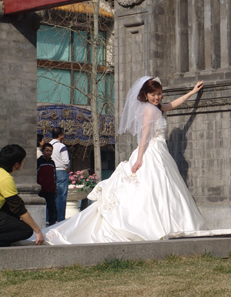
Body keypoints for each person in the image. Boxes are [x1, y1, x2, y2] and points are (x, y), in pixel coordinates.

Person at [43, 76, 206, 244]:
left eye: (159, 93)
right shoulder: (149, 110)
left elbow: (173, 104)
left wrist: (192, 92)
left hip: (160, 152)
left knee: (159, 190)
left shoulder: (157, 108)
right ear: (145, 94)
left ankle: (163, 224)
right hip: (151, 152)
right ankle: (150, 225)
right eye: (153, 94)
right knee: (151, 189)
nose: (157, 97)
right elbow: (144, 136)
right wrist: (139, 159)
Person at [0, 144, 44, 246]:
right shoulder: (5, 179)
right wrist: (37, 230)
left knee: (9, 206)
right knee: (26, 230)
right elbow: (19, 209)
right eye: (23, 160)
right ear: (16, 164)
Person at [50, 127, 70, 222]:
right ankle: (60, 218)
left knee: (51, 196)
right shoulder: (61, 146)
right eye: (63, 134)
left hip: (50, 171)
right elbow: (66, 161)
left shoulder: (48, 145)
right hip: (61, 171)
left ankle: (50, 218)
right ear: (59, 135)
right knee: (61, 196)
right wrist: (67, 166)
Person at [37, 143, 58, 226]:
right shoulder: (39, 162)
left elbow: (54, 175)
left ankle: (53, 223)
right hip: (41, 189)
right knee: (41, 207)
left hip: (51, 189)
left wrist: (54, 188)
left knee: (52, 207)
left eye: (50, 151)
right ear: (42, 151)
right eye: (47, 151)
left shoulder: (52, 162)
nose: (49, 153)